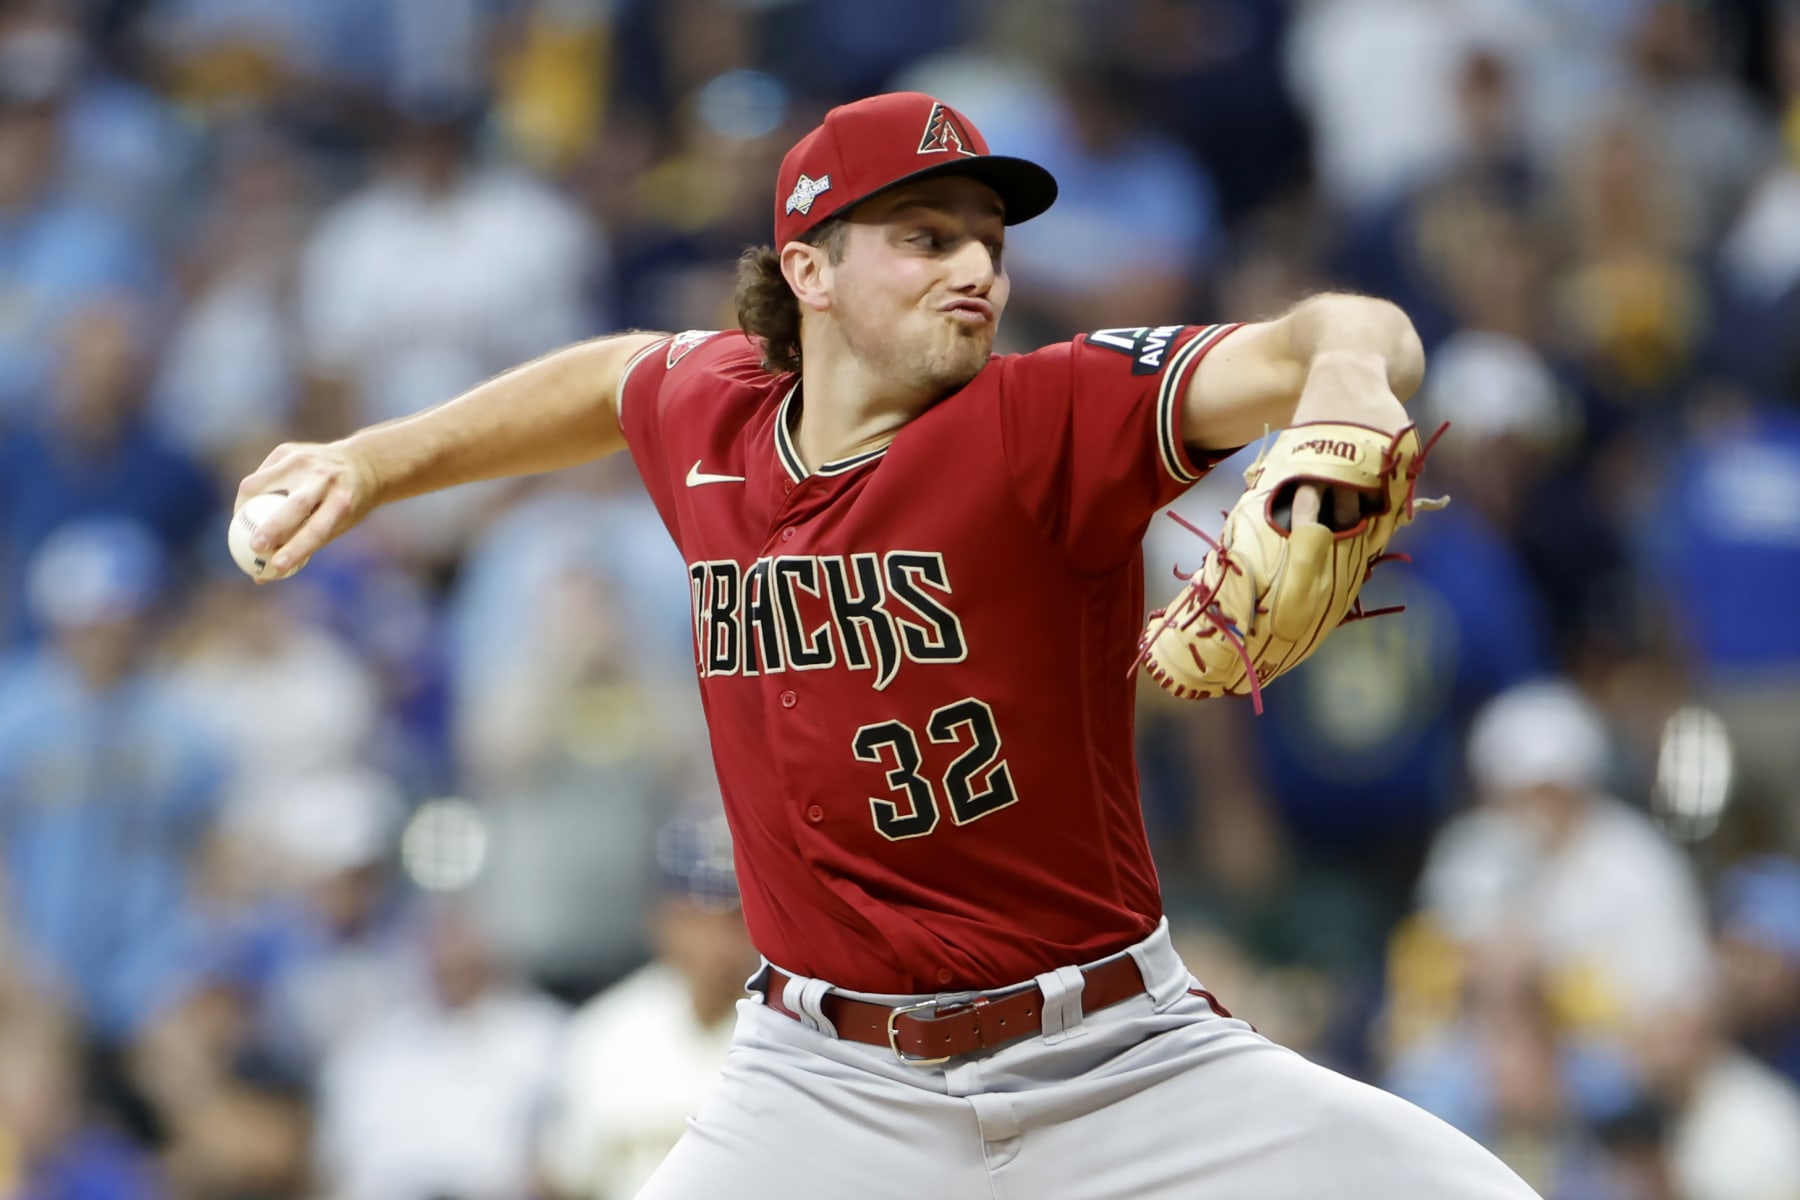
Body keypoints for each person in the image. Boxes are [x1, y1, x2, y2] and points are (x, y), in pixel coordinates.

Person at [237, 92, 1537, 1198]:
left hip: (1115, 1062)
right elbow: (605, 378)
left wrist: (1356, 382)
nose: (977, 269)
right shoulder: (718, 422)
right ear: (807, 268)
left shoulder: (1049, 416)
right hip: (819, 1087)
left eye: (989, 240)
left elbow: (1342, 332)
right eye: (926, 237)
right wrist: (369, 462)